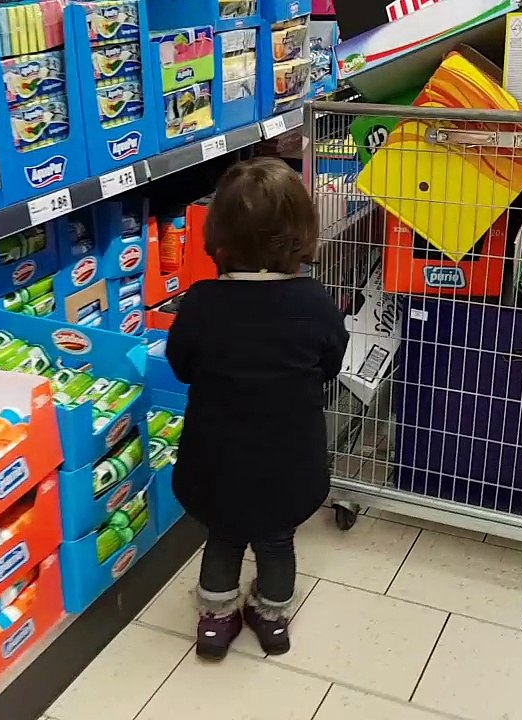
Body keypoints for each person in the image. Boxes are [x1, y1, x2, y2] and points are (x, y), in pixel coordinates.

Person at [166, 157, 349, 660]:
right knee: (276, 541)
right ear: (302, 233)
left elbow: (181, 366)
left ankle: (215, 620)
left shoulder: (201, 303)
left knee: (223, 538)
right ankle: (271, 620)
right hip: (289, 462)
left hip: (216, 459)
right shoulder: (315, 302)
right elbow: (331, 363)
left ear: (217, 234)